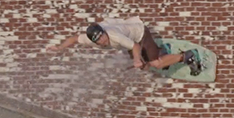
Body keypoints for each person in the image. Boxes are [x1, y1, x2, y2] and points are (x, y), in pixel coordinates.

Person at [46, 16, 202, 75]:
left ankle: (187, 56)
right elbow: (73, 39)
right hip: (129, 39)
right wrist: (59, 48)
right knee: (144, 67)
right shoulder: (90, 38)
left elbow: (134, 46)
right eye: (98, 41)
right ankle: (161, 52)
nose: (102, 42)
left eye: (102, 37)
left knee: (155, 64)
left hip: (140, 34)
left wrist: (136, 59)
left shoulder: (113, 35)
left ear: (104, 32)